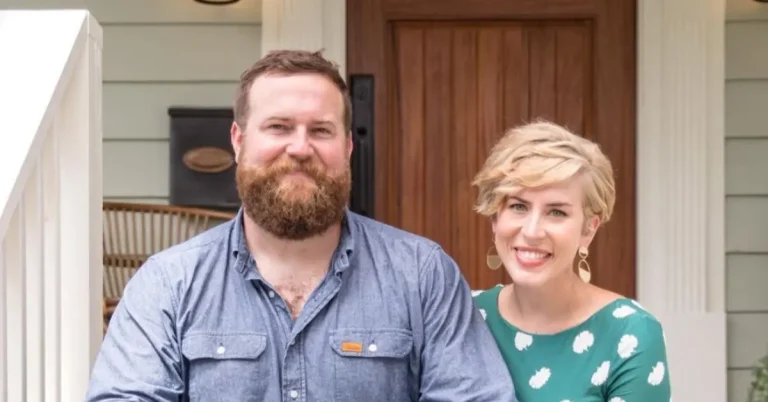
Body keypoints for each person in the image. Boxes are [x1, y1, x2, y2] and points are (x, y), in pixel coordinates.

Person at [85, 49, 517, 402]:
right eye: (279, 127)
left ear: (347, 146)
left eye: (321, 130)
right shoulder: (167, 284)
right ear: (238, 140)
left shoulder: (422, 275)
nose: (299, 148)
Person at [471, 121, 672, 401]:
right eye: (518, 206)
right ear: (495, 219)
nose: (532, 231)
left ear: (588, 229)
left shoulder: (631, 334)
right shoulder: (465, 317)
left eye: (556, 212)